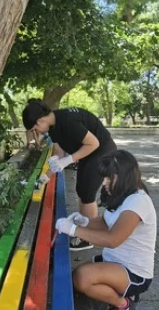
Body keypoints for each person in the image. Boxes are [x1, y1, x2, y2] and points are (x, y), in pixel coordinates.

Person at [53, 150, 156, 310]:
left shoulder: (138, 202)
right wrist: (85, 221)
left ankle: (122, 304)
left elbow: (112, 239)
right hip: (116, 260)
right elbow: (106, 222)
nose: (105, 182)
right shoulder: (123, 193)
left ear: (123, 176)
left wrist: (75, 230)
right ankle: (122, 291)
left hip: (134, 271)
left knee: (83, 278)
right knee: (76, 277)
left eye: (109, 177)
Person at [22, 99, 117, 251]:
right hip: (88, 153)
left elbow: (94, 143)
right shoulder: (53, 126)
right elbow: (59, 155)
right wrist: (44, 178)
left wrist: (69, 159)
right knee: (81, 190)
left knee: (87, 193)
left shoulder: (67, 121)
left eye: (35, 128)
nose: (37, 132)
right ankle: (84, 229)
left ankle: (88, 238)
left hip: (102, 152)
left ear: (40, 121)